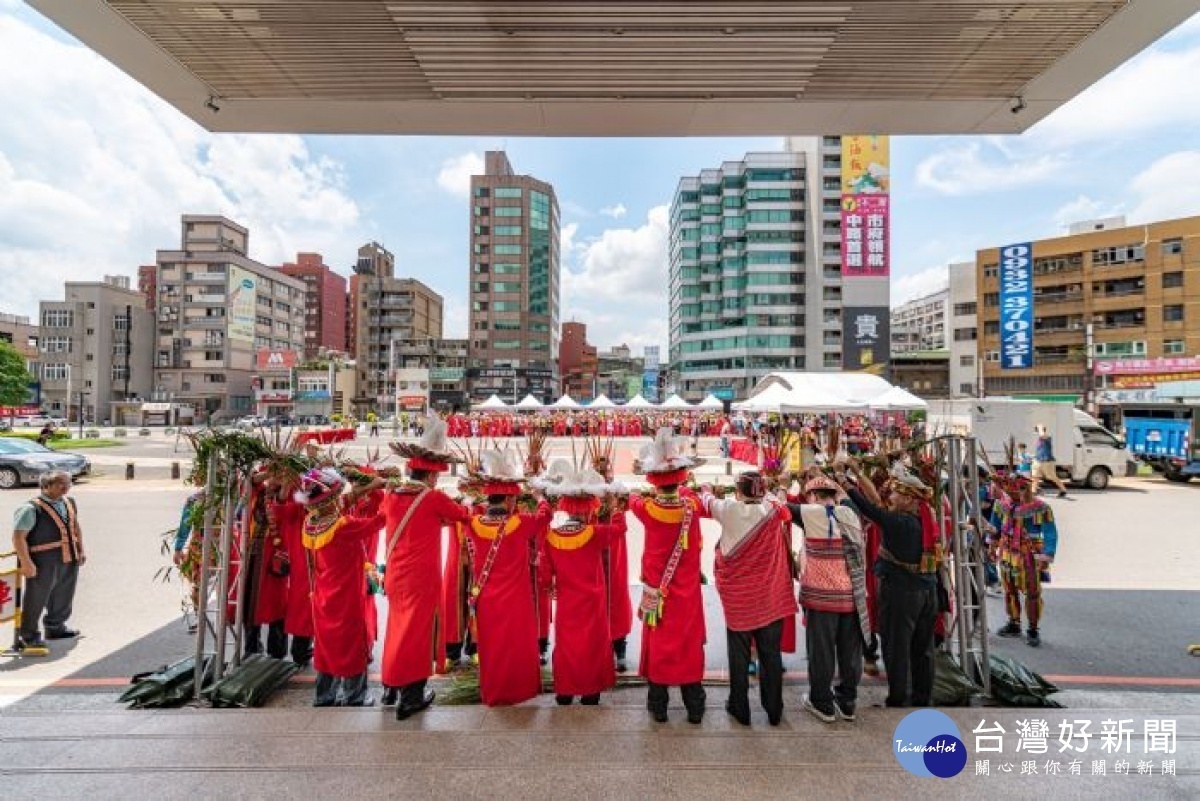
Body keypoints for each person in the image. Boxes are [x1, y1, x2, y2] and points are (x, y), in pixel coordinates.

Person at [381, 413, 472, 719]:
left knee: (396, 629)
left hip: (394, 575)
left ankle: (389, 687)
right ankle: (411, 696)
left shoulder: (392, 496)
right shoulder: (433, 499)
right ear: (432, 476)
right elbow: (463, 516)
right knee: (417, 636)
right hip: (421, 578)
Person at [837, 462, 939, 708]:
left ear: (907, 498)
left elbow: (869, 508)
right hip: (928, 591)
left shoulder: (901, 523)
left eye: (895, 493)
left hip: (902, 592)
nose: (890, 497)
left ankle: (897, 697)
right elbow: (877, 503)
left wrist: (845, 483)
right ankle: (922, 696)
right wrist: (857, 476)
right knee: (923, 649)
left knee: (897, 647)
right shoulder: (926, 517)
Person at [701, 471, 796, 727]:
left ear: (739, 491)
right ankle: (774, 710)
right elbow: (782, 501)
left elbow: (705, 499)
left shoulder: (728, 509)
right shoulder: (773, 510)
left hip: (740, 600)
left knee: (739, 656)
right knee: (770, 656)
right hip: (769, 598)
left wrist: (708, 486)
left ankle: (740, 708)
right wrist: (779, 488)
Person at [629, 428, 706, 724]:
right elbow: (689, 494)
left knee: (659, 644)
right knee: (688, 646)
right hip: (686, 594)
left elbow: (633, 499)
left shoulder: (648, 509)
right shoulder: (692, 507)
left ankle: (658, 706)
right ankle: (694, 706)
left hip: (657, 593)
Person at [463, 450, 551, 706]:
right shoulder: (519, 523)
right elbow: (545, 516)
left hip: (487, 601)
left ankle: (494, 691)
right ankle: (518, 690)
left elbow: (466, 512)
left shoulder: (475, 523)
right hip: (516, 600)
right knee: (516, 647)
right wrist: (540, 497)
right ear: (511, 499)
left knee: (493, 649)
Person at [537, 461, 627, 705]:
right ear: (588, 509)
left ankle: (565, 691)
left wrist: (551, 587)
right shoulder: (594, 533)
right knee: (591, 645)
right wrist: (614, 505)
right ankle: (590, 691)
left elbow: (544, 574)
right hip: (592, 600)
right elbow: (620, 527)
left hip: (567, 601)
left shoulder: (552, 537)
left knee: (567, 645)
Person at [784, 475, 870, 724]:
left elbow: (779, 507)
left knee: (821, 653)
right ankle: (847, 702)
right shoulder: (851, 513)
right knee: (849, 654)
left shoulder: (810, 512)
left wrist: (783, 487)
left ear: (812, 496)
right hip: (851, 596)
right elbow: (844, 498)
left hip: (821, 599)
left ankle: (821, 702)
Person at [298, 467, 384, 707]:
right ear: (330, 502)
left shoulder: (310, 523)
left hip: (323, 594)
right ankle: (354, 695)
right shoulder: (344, 526)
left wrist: (367, 488)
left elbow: (340, 504)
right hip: (346, 594)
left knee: (325, 647)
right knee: (352, 644)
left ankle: (324, 695)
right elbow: (379, 521)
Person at [11, 471, 84, 651]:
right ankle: (29, 635)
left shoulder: (69, 502)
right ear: (46, 486)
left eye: (68, 483)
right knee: (36, 598)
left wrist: (81, 549)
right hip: (43, 561)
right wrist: (27, 563)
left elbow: (75, 526)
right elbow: (18, 537)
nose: (66, 487)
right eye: (61, 484)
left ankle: (55, 628)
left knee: (63, 595)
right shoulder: (30, 508)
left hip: (69, 556)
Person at [990, 471, 1058, 647]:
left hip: (1029, 555)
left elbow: (1050, 532)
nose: (1014, 494)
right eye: (1010, 490)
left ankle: (1033, 629)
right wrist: (991, 543)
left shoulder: (1041, 508)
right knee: (1009, 590)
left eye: (1018, 490)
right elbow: (995, 526)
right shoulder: (1001, 504)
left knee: (1032, 592)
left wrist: (1047, 554)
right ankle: (1014, 623)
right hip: (1006, 553)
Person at [1032, 425, 1068, 498]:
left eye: (1037, 430)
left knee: (1052, 477)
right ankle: (1033, 491)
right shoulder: (1040, 439)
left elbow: (1042, 435)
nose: (1037, 432)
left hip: (1047, 462)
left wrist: (1040, 427)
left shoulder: (1047, 438)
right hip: (1038, 461)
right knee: (1035, 477)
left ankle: (1063, 490)